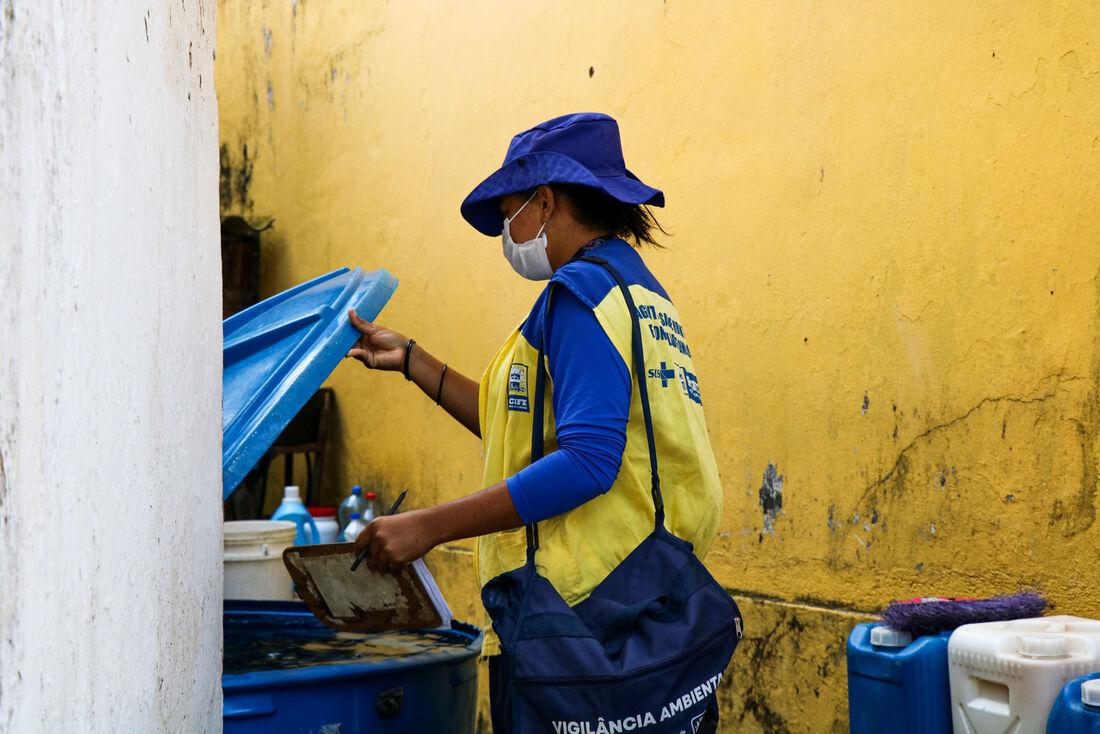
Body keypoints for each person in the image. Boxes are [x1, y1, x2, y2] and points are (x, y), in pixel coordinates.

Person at [346, 112, 723, 728]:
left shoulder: (578, 295)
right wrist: (413, 360)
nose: (506, 231)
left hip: (580, 622)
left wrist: (430, 527)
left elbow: (588, 461)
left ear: (545, 201)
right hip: (651, 598)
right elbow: (520, 429)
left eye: (510, 212)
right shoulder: (635, 292)